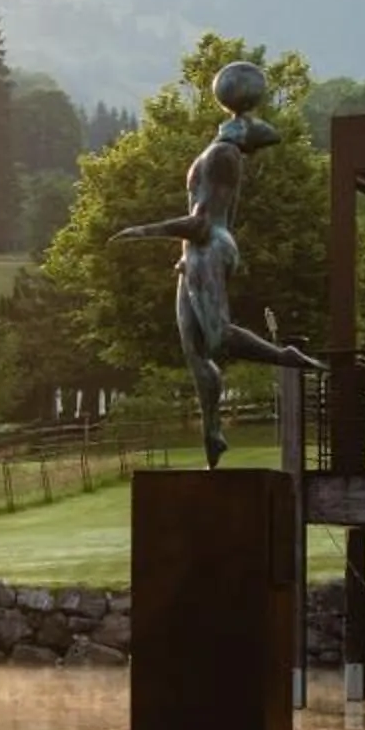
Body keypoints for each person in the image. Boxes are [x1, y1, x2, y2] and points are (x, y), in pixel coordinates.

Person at [112, 58, 320, 468]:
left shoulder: (223, 155)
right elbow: (267, 135)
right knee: (195, 351)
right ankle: (213, 434)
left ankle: (286, 356)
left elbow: (201, 222)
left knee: (219, 337)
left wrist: (144, 231)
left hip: (208, 246)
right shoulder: (220, 150)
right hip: (193, 256)